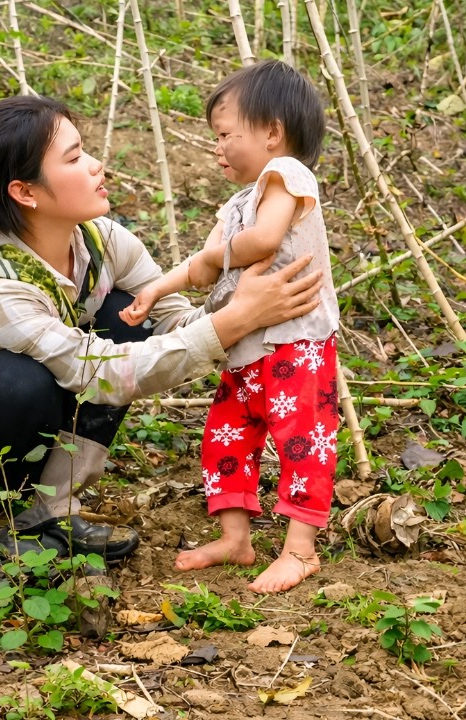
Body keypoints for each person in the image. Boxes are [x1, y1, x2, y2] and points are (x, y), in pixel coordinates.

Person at [0, 95, 323, 599]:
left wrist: (244, 309)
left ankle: (48, 509)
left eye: (84, 150)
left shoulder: (102, 241)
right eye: (73, 159)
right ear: (25, 192)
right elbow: (102, 375)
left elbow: (171, 321)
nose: (96, 165)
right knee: (19, 377)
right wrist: (236, 319)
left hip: (23, 444)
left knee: (129, 313)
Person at [119, 60, 340, 594]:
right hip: (245, 347)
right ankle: (236, 538)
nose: (216, 148)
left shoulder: (288, 176)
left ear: (271, 133)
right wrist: (156, 290)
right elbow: (202, 267)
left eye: (224, 135)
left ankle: (299, 550)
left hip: (296, 342)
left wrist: (218, 253)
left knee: (302, 441)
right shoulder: (239, 203)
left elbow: (261, 243)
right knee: (226, 438)